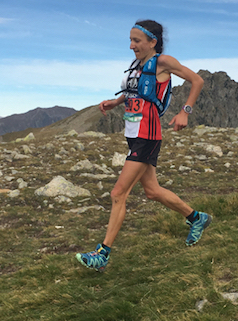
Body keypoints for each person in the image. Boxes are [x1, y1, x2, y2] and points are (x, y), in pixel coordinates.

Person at [75, 19, 212, 272]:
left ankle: (103, 253)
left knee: (118, 193)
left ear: (153, 42)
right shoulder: (138, 66)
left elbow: (197, 81)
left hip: (148, 135)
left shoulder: (163, 62)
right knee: (152, 191)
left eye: (136, 40)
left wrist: (185, 112)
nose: (131, 46)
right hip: (133, 132)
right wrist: (115, 103)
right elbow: (136, 93)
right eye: (130, 40)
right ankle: (197, 218)